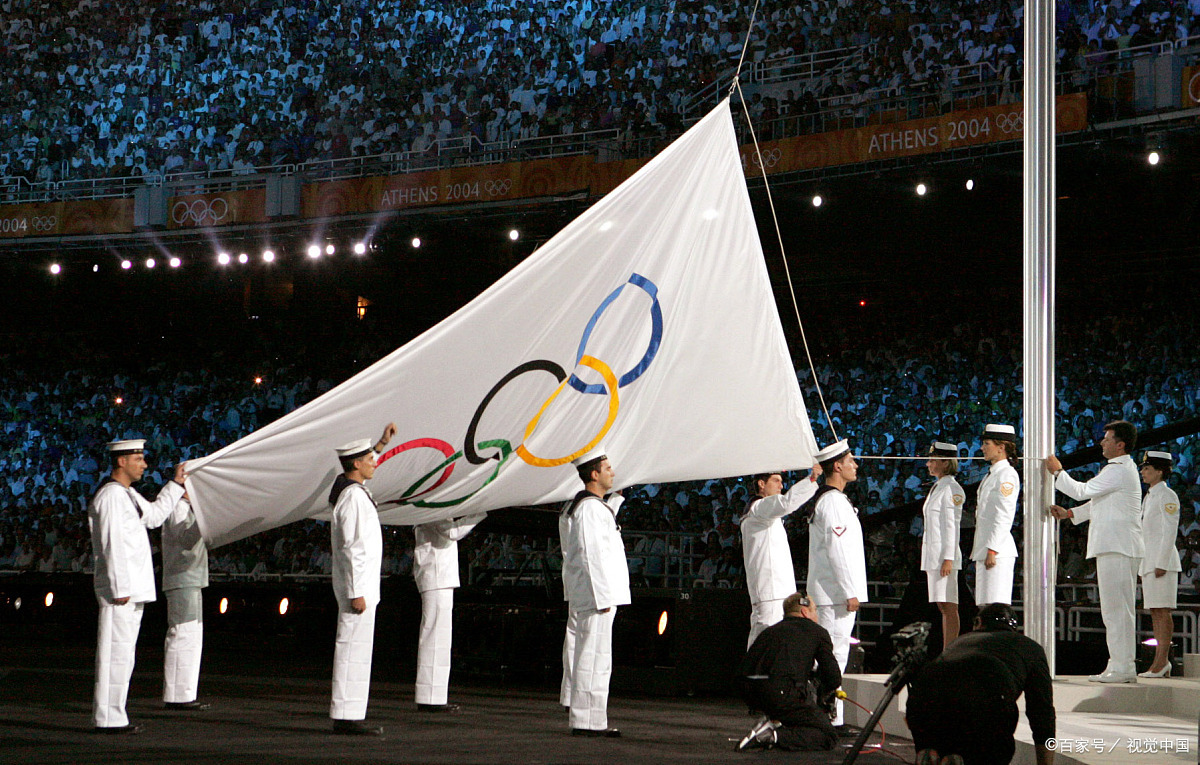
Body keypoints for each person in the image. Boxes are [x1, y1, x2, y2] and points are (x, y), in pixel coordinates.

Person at [89, 439, 188, 734]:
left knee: (123, 654)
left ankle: (114, 715)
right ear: (122, 461)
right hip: (121, 590)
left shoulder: (127, 494)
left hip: (131, 589)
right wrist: (119, 587)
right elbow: (111, 543)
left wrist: (176, 484)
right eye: (139, 459)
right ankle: (108, 717)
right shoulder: (111, 496)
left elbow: (155, 517)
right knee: (113, 654)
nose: (144, 464)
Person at [1048, 419, 1143, 683]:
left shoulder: (1119, 469)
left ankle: (1123, 667)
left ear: (1120, 445)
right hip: (1115, 546)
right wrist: (1069, 514)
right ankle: (1119, 664)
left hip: (1119, 546)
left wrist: (1058, 473)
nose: (1102, 442)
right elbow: (1096, 503)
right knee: (1114, 610)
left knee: (1117, 610)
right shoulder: (1118, 470)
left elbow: (1082, 491)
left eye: (1107, 438)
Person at [906, 603, 1055, 765]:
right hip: (987, 696)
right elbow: (1042, 712)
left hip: (924, 697)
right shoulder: (1030, 647)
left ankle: (933, 750)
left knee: (937, 723)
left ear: (978, 623)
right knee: (992, 748)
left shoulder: (958, 642)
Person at [328, 423, 396, 735]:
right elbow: (352, 547)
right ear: (356, 463)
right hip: (359, 589)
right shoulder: (353, 497)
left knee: (357, 650)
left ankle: (350, 712)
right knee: (352, 649)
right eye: (370, 458)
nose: (375, 462)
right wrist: (356, 591)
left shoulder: (349, 489)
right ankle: (346, 715)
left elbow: (362, 464)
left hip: (362, 587)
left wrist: (381, 443)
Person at [559, 445, 629, 737]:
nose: (612, 472)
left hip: (599, 594)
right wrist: (602, 596)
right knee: (591, 657)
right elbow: (590, 555)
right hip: (596, 595)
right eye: (607, 468)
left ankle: (592, 719)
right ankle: (586, 720)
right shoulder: (588, 507)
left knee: (598, 658)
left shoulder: (591, 506)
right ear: (594, 473)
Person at [806, 439, 867, 728]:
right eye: (851, 460)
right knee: (833, 657)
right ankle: (830, 718)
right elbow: (838, 551)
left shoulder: (835, 500)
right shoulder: (831, 502)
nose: (855, 465)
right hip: (834, 594)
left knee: (832, 657)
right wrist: (849, 591)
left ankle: (829, 715)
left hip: (832, 593)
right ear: (838, 466)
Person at [736, 591, 840, 752]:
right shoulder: (817, 632)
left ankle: (773, 720)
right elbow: (833, 677)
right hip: (782, 693)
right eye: (815, 611)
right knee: (828, 735)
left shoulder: (770, 631)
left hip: (751, 693)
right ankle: (773, 736)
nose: (817, 615)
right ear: (805, 612)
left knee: (792, 708)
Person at [413, 512, 487, 711]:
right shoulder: (432, 507)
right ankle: (430, 698)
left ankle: (433, 695)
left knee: (439, 637)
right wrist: (479, 512)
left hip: (439, 577)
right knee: (435, 637)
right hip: (436, 576)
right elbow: (453, 532)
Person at [741, 463, 821, 648]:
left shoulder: (763, 514)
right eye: (776, 480)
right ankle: (752, 675)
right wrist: (811, 479)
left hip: (777, 590)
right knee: (763, 640)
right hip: (770, 590)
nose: (781, 485)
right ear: (762, 484)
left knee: (776, 641)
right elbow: (786, 503)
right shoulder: (759, 508)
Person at [161, 493, 210, 710]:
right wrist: (205, 518)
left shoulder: (186, 509)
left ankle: (183, 693)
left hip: (190, 578)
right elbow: (186, 540)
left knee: (190, 637)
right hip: (182, 578)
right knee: (182, 635)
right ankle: (176, 695)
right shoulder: (178, 508)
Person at [1136, 450, 1181, 678]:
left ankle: (1162, 661)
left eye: (1147, 468)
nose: (1143, 472)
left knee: (1163, 611)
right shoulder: (1150, 496)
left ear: (1160, 471)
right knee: (1155, 612)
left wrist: (1161, 562)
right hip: (1150, 561)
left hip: (1162, 562)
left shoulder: (1167, 495)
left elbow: (1169, 531)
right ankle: (1159, 662)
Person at [921, 442, 965, 648]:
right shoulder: (938, 486)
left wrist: (949, 558)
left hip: (943, 557)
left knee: (949, 605)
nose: (929, 464)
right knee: (942, 605)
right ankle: (948, 649)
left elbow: (952, 525)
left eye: (933, 460)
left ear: (945, 462)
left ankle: (951, 650)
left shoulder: (951, 488)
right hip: (934, 555)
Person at [971, 424, 1020, 605]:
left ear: (1001, 447)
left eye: (987, 443)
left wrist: (992, 548)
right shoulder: (991, 474)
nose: (983, 448)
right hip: (986, 548)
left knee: (995, 606)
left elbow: (1004, 514)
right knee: (984, 605)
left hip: (997, 550)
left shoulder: (1006, 475)